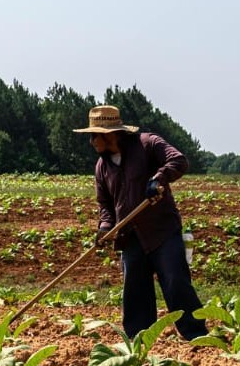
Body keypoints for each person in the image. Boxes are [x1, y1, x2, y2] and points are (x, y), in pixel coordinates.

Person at [74, 105, 208, 340]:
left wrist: (159, 179)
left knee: (176, 283)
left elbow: (179, 161)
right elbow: (105, 204)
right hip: (130, 238)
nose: (91, 141)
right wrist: (105, 228)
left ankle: (197, 337)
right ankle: (139, 344)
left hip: (162, 232)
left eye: (94, 135)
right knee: (135, 293)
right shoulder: (102, 167)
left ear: (109, 134)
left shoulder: (148, 144)